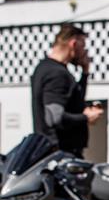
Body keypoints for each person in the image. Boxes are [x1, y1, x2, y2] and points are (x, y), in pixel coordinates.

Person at [31, 24, 104, 157]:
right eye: (83, 46)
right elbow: (54, 117)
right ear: (74, 43)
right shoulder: (57, 74)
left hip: (53, 151)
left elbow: (73, 101)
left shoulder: (44, 68)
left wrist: (85, 73)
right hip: (61, 153)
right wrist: (86, 117)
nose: (84, 52)